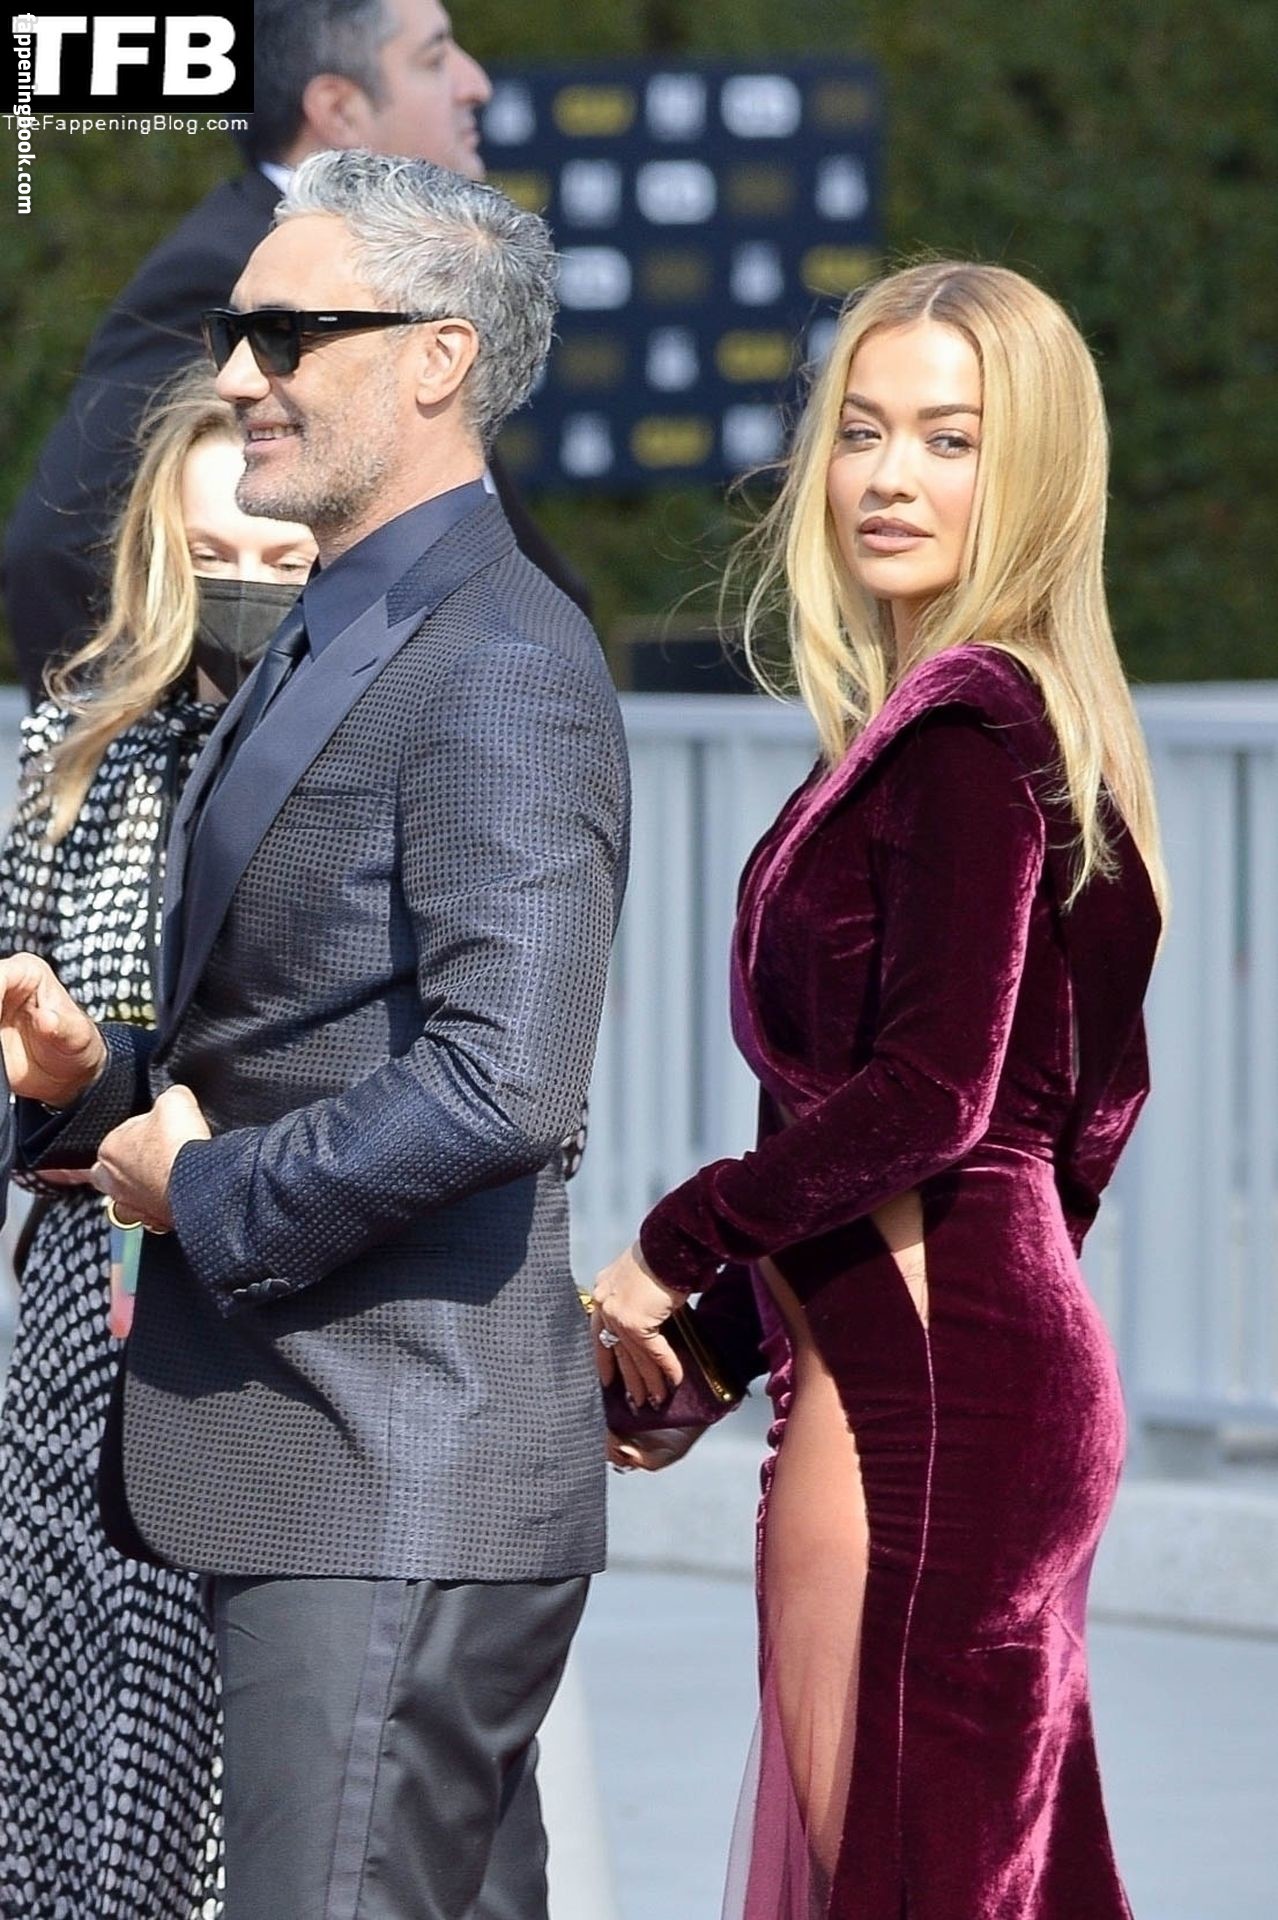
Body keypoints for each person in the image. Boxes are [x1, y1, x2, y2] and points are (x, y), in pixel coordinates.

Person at [0, 151, 628, 1920]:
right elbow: (302, 1034)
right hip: (321, 1474)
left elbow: (506, 1076)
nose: (237, 373)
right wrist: (95, 1096)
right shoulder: (337, 628)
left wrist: (201, 1193)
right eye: (234, 330)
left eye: (287, 334)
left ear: (437, 356)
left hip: (392, 1479)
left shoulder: (497, 657)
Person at [592, 260, 1168, 1919]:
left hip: (928, 1402)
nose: (888, 477)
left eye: (948, 438)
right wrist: (726, 1342)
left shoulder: (966, 743)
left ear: (1033, 471)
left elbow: (930, 1103)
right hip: (956, 1375)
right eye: (859, 432)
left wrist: (672, 1248)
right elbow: (1070, 1129)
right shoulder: (996, 735)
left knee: (916, 1884)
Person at [0, 363, 316, 1919]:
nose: (243, 586)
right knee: (64, 1756)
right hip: (78, 1327)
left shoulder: (363, 754)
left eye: (279, 557)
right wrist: (55, 1079)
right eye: (211, 555)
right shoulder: (78, 748)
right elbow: (24, 1033)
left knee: (223, 1786)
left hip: (263, 1327)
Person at [2, 0, 587, 699]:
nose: (475, 83)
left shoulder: (395, 285)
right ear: (338, 109)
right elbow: (58, 547)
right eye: (433, 58)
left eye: (278, 335)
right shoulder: (228, 270)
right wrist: (176, 745)